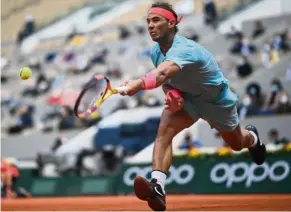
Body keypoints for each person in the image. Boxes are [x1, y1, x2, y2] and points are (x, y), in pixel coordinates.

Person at [119, 2, 266, 211]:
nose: (150, 25)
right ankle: (158, 187)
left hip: (216, 102)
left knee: (236, 143)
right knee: (164, 133)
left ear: (171, 23)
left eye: (156, 20)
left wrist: (137, 84)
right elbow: (167, 82)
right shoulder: (155, 52)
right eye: (148, 21)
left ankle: (252, 138)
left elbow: (160, 74)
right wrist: (173, 95)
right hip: (188, 100)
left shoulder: (186, 49)